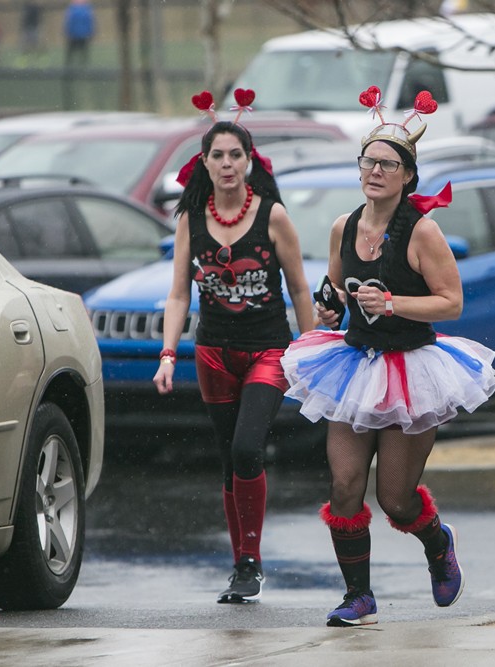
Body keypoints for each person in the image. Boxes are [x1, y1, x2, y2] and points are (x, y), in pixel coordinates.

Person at [281, 85, 495, 627]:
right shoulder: (343, 226)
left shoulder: (423, 231)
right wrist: (331, 308)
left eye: (388, 163)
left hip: (412, 368)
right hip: (354, 363)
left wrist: (396, 302)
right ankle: (359, 597)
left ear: (407, 175)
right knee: (344, 485)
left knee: (396, 500)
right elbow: (335, 288)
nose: (375, 171)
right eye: (369, 161)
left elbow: (452, 302)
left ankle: (437, 543)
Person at [153, 89, 315, 604]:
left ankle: (250, 558)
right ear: (204, 162)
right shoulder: (191, 218)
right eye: (217, 155)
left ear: (249, 163)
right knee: (229, 459)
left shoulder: (273, 216)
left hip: (268, 350)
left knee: (248, 448)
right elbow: (179, 292)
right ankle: (245, 563)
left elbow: (300, 287)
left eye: (235, 155)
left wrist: (312, 348)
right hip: (213, 353)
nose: (227, 163)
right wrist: (167, 353)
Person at [63, 0, 95, 67]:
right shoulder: (87, 10)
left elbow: (68, 22)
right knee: (83, 52)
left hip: (74, 34)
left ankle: (69, 68)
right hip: (83, 34)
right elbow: (90, 22)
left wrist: (67, 32)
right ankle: (83, 67)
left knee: (71, 53)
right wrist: (91, 32)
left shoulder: (71, 10)